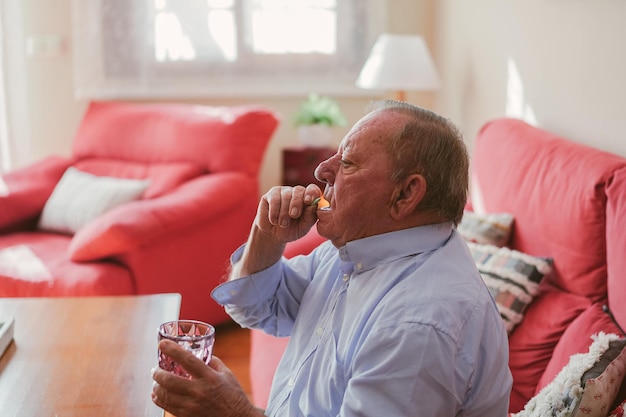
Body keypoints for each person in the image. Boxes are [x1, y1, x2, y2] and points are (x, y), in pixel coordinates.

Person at [151, 100, 513, 417]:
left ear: (405, 195)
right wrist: (265, 236)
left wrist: (235, 412)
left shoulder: (418, 325)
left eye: (349, 163)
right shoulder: (363, 249)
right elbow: (256, 306)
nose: (321, 170)